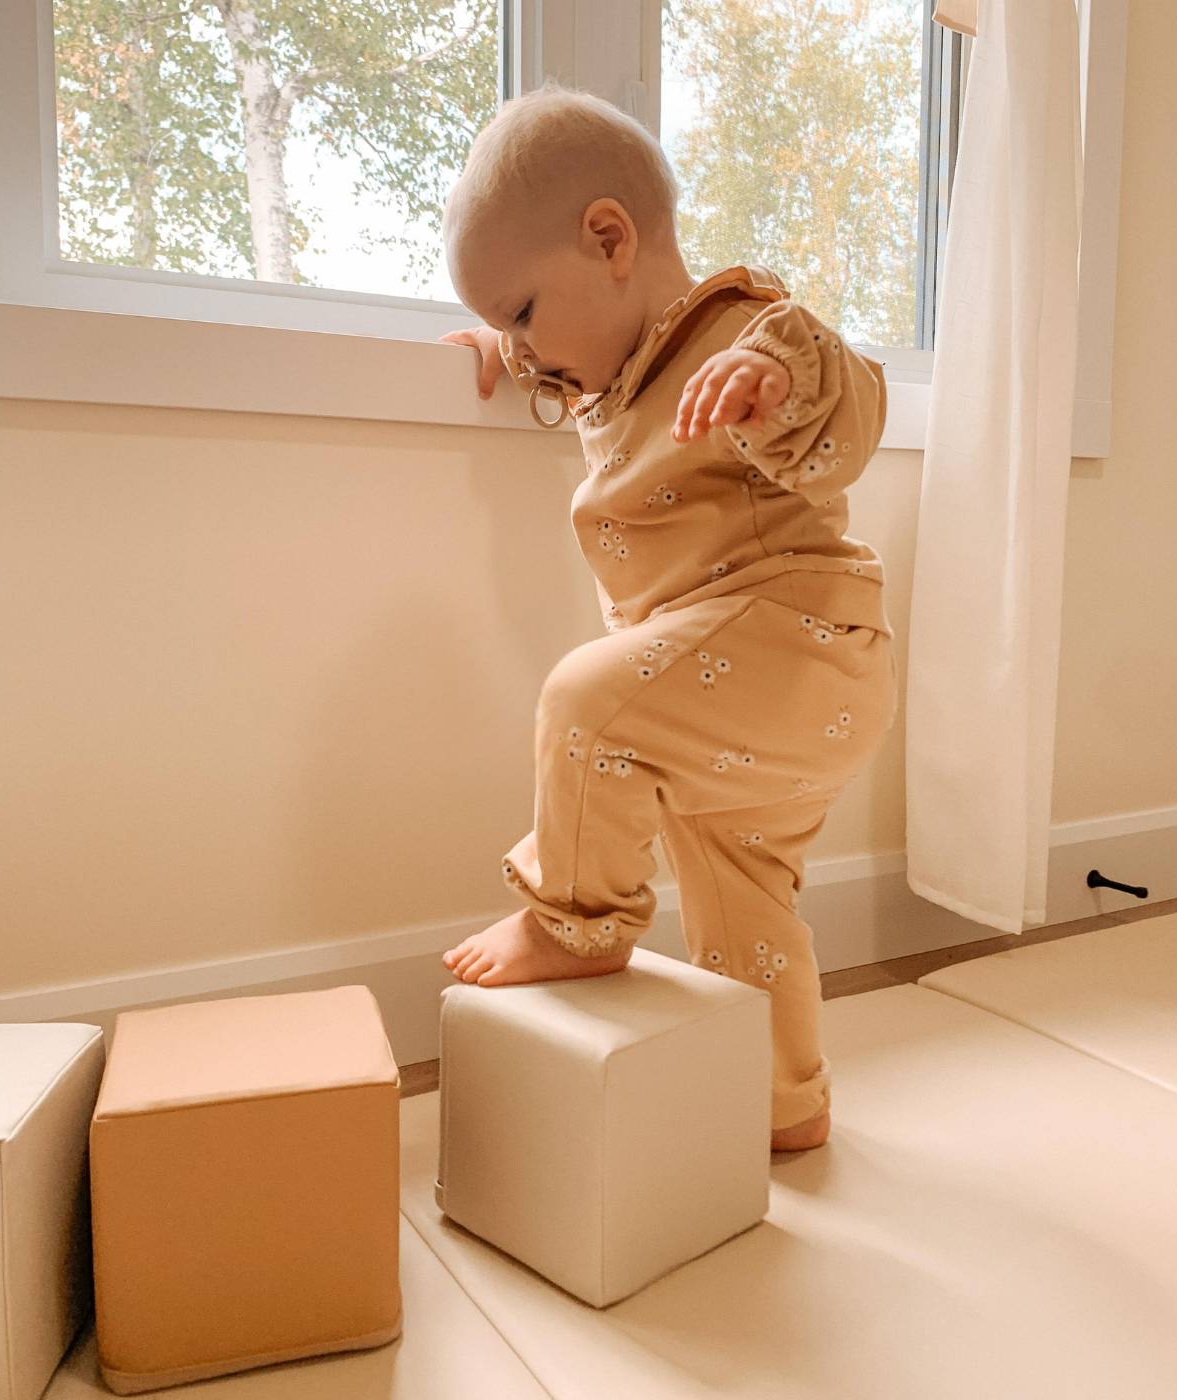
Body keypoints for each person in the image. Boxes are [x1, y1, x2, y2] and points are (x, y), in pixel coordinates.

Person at [437, 82, 897, 1153]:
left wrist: (773, 380)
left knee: (584, 701)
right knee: (741, 908)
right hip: (737, 695)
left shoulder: (739, 330)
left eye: (521, 313)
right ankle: (789, 1104)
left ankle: (577, 921)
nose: (529, 354)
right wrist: (496, 345)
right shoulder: (606, 362)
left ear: (609, 239)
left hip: (792, 638)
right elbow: (568, 360)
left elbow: (854, 406)